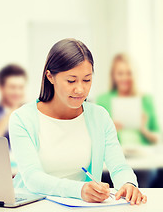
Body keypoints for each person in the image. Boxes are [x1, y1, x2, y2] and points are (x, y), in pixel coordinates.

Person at [9, 38, 147, 205]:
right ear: (50, 77)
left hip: (81, 207)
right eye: (71, 80)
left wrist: (128, 183)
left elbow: (119, 166)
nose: (80, 89)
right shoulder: (22, 119)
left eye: (87, 80)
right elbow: (32, 178)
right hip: (32, 206)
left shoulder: (99, 117)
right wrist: (78, 190)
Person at [96, 53, 160, 146]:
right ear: (113, 76)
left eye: (129, 73)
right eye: (120, 73)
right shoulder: (103, 100)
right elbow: (96, 138)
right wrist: (110, 130)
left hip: (144, 156)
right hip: (116, 154)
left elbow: (157, 138)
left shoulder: (146, 100)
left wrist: (144, 130)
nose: (125, 78)